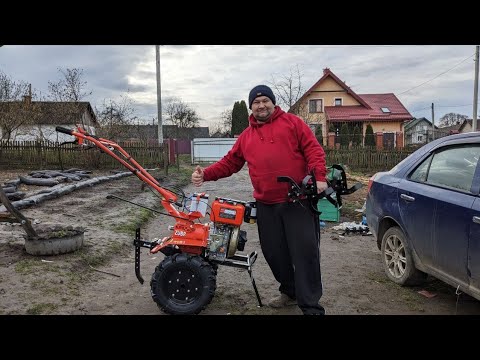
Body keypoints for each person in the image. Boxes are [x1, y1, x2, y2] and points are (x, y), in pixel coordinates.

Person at [191, 84, 327, 315]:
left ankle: (311, 306)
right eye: (256, 102)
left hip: (298, 201)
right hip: (267, 205)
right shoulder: (246, 136)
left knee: (305, 254)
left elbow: (314, 150)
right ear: (251, 107)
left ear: (273, 103)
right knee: (274, 253)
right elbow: (230, 163)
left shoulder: (294, 124)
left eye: (265, 100)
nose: (261, 105)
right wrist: (206, 174)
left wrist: (320, 177)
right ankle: (290, 292)